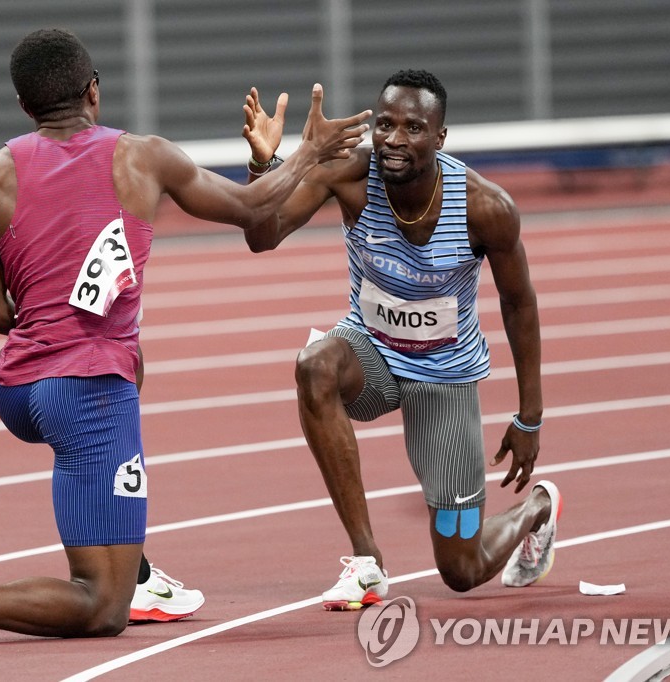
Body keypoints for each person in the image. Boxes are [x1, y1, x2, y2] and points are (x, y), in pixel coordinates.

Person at [0, 28, 370, 648]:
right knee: (100, 607)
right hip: (85, 395)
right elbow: (254, 209)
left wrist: (52, 317)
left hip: (18, 390)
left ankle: (140, 568)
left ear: (24, 107)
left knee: (129, 358)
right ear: (94, 92)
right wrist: (305, 155)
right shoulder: (142, 157)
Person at [239, 69, 562, 609]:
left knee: (462, 569)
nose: (393, 138)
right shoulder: (348, 174)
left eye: (413, 127)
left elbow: (519, 304)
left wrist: (530, 417)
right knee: (314, 364)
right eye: (384, 124)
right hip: (371, 351)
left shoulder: (486, 207)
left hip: (445, 375)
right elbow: (262, 237)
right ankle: (367, 563)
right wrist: (266, 164)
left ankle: (538, 510)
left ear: (439, 137)